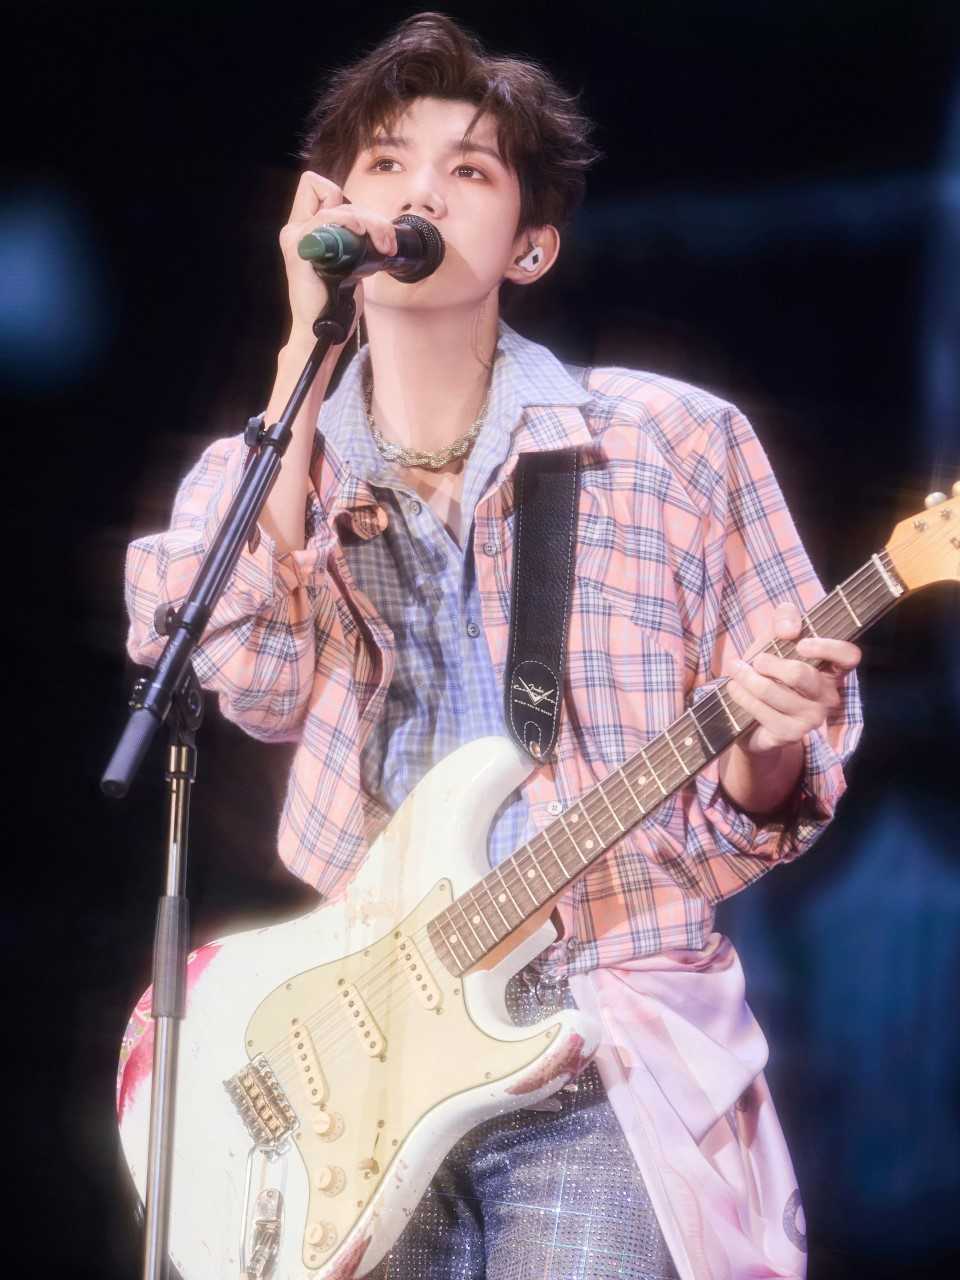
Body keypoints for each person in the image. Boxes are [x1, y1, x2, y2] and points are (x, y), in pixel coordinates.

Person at [123, 12, 862, 1278]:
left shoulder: (670, 443)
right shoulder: (272, 472)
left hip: (602, 1032)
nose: (418, 192)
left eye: (466, 169)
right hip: (364, 1061)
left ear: (531, 245)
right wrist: (303, 350)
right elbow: (250, 681)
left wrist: (770, 740)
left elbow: (759, 812)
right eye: (385, 162)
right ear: (331, 213)